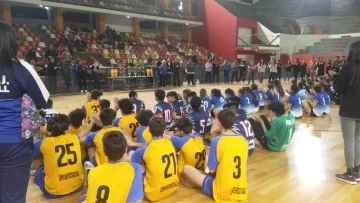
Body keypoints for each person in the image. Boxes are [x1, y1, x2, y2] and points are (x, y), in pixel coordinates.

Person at [0, 21, 49, 203]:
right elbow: (42, 99)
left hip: (15, 142)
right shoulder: (21, 67)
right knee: (12, 197)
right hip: (15, 142)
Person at [182, 109, 248, 202]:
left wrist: (213, 132)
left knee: (187, 168)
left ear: (220, 123)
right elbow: (245, 166)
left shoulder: (217, 140)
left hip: (222, 191)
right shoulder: (243, 140)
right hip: (240, 190)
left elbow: (211, 170)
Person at [78, 131, 144, 203]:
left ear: (104, 152)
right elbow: (138, 201)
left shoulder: (93, 171)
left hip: (99, 192)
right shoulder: (135, 168)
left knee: (83, 198)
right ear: (125, 149)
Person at [329, 41, 360, 184]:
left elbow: (339, 89)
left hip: (349, 109)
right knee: (357, 141)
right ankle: (358, 172)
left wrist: (335, 76)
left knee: (349, 142)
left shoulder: (348, 67)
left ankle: (350, 173)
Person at [33, 114, 83, 198]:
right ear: (66, 129)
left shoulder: (43, 143)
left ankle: (38, 173)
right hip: (78, 186)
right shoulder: (74, 138)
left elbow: (32, 153)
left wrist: (40, 136)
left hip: (53, 192)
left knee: (36, 156)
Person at [130, 117, 179, 201]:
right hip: (173, 186)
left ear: (148, 130)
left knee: (133, 157)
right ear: (164, 131)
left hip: (153, 194)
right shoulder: (170, 143)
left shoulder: (145, 149)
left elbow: (131, 162)